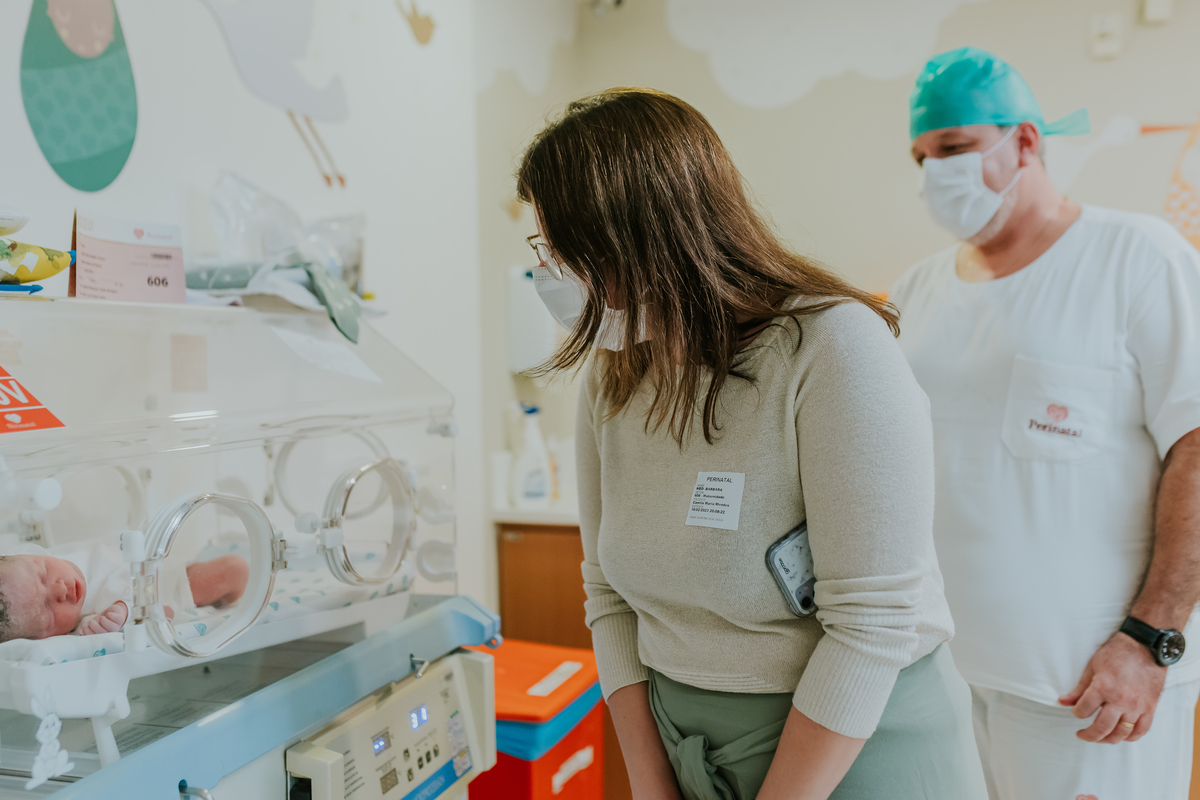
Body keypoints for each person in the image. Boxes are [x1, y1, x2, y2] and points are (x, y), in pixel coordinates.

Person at [519, 88, 987, 800]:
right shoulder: (614, 377)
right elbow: (606, 596)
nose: (550, 272)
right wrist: (651, 781)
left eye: (564, 250)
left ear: (641, 237)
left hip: (856, 747)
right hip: (687, 749)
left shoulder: (831, 348)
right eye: (544, 249)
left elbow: (871, 623)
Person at [891, 47, 1200, 800]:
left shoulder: (1136, 258)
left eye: (955, 149)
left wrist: (1149, 640)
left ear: (1025, 141)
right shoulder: (916, 293)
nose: (936, 174)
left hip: (1092, 689)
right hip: (945, 678)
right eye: (923, 158)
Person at [0, 536, 249, 640]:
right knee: (235, 568)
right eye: (48, 611)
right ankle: (232, 592)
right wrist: (124, 612)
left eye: (43, 575)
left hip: (156, 558)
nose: (60, 591)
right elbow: (149, 611)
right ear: (48, 636)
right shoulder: (88, 621)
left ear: (30, 554)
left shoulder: (27, 560)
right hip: (168, 584)